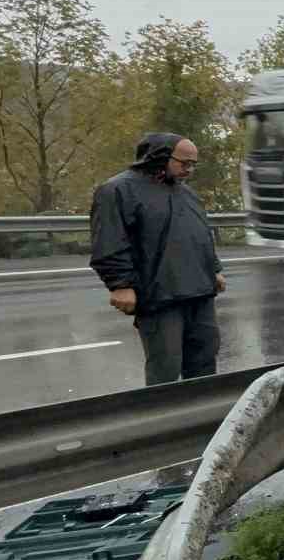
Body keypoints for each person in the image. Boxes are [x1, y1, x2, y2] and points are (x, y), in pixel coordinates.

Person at [89, 133, 225, 386]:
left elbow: (199, 234)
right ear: (160, 157)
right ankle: (166, 423)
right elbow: (109, 240)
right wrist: (120, 284)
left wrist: (214, 270)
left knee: (205, 362)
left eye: (193, 164)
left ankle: (203, 423)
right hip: (159, 296)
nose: (190, 170)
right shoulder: (118, 190)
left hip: (200, 292)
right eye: (184, 163)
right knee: (165, 369)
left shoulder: (186, 193)